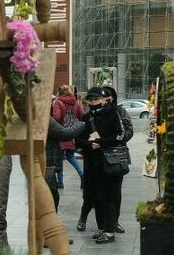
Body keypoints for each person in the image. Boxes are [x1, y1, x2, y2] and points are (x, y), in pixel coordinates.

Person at [74, 86, 133, 243]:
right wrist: (88, 145)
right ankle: (102, 228)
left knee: (110, 197)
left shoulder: (112, 114)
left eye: (97, 99)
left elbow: (120, 134)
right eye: (91, 100)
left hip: (110, 162)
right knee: (97, 197)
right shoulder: (86, 118)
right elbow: (77, 139)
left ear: (103, 100)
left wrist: (101, 143)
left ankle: (109, 231)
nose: (94, 102)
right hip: (92, 163)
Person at [51, 85, 85, 189]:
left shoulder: (58, 102)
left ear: (59, 92)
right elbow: (82, 115)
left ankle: (60, 183)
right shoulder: (76, 102)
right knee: (71, 156)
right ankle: (83, 174)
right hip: (73, 133)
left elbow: (57, 117)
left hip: (61, 132)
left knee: (59, 158)